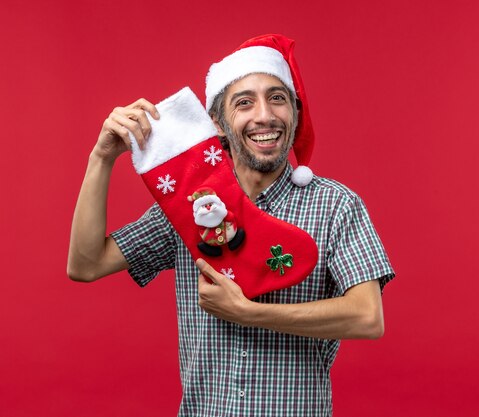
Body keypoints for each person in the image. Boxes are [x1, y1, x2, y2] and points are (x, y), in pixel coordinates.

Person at [68, 34, 395, 417]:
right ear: (218, 126)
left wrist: (249, 312)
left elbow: (367, 316)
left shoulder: (336, 205)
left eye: (278, 98)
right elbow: (86, 264)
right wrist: (101, 157)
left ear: (295, 114)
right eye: (245, 103)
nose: (265, 115)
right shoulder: (191, 206)